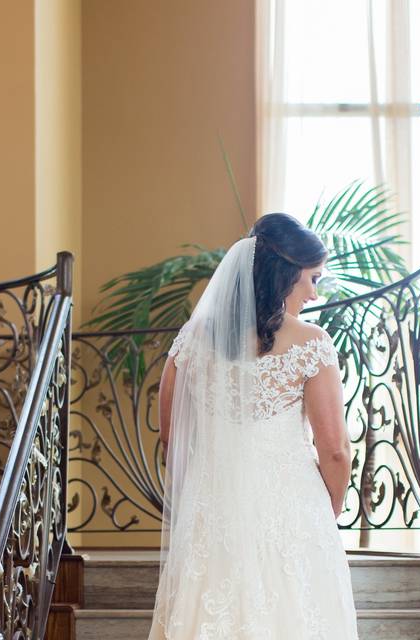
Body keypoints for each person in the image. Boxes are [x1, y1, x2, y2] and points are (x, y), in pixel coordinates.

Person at [148, 213, 359, 640]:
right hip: (292, 514)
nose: (315, 293)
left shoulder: (190, 341)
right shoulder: (311, 343)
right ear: (287, 274)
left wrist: (201, 503)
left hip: (213, 513)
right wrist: (328, 509)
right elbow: (334, 448)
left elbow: (172, 438)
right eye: (313, 278)